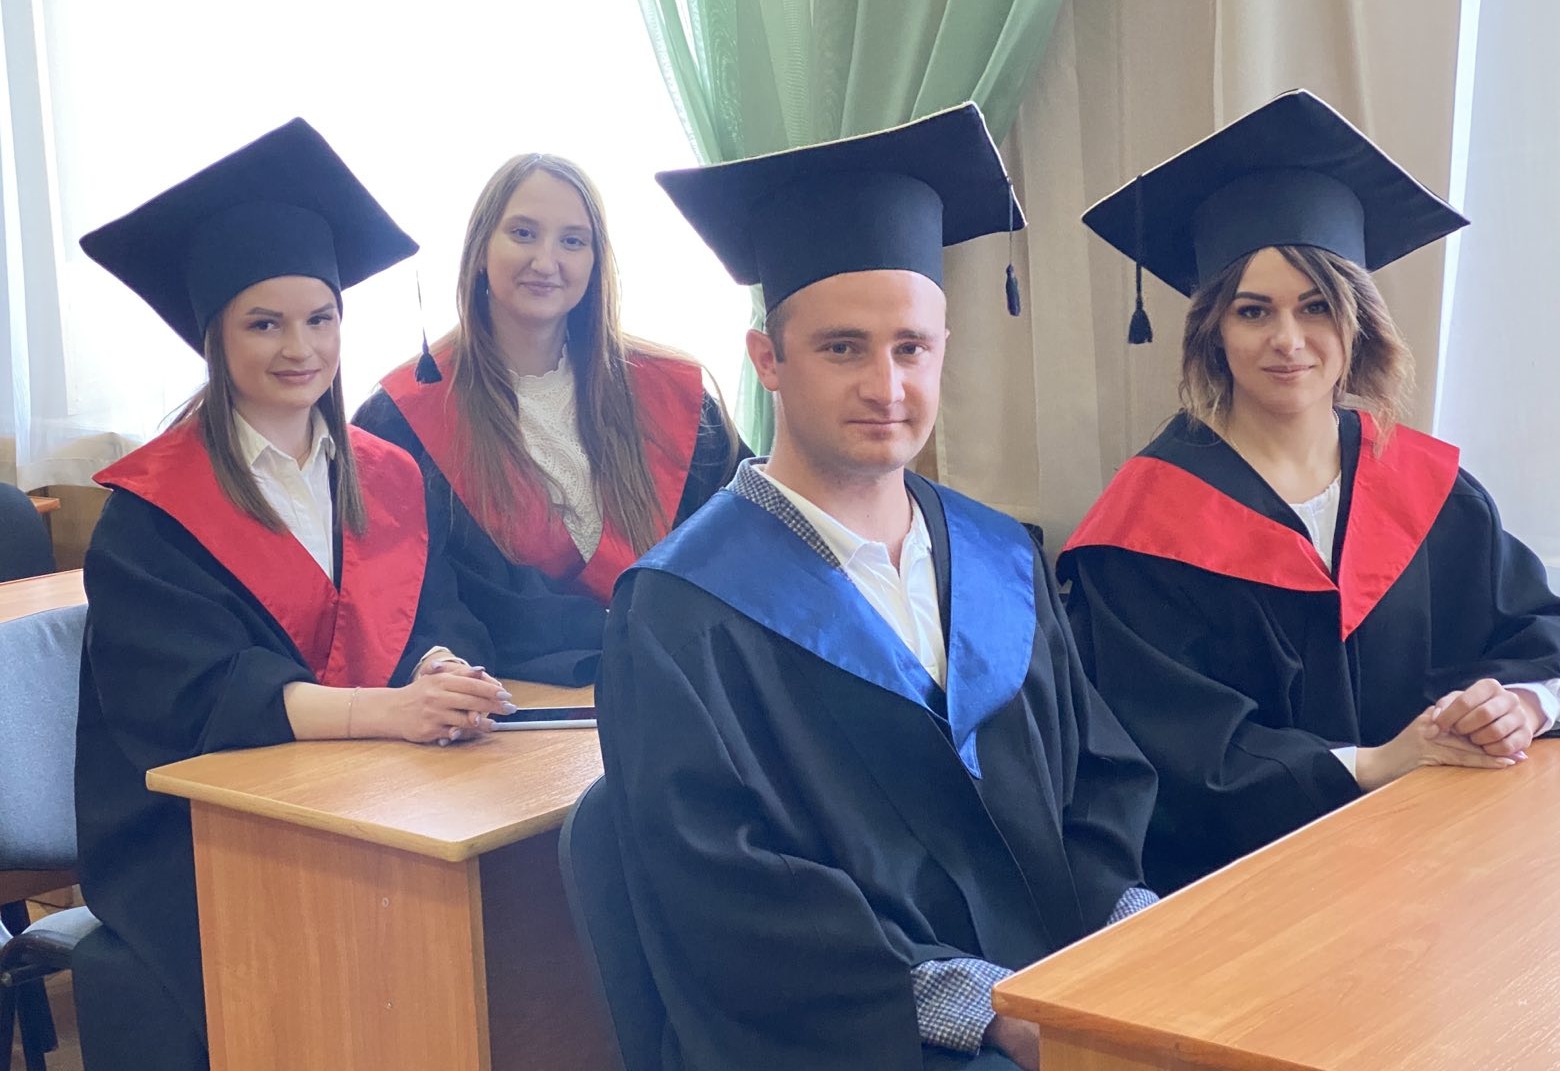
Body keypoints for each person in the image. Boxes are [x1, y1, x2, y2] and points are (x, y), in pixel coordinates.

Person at [599, 104, 1160, 1071]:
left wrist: (1129, 946)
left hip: (1059, 1007)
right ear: (768, 361)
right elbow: (724, 898)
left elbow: (1096, 784)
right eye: (842, 348)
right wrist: (990, 1014)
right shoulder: (682, 610)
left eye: (911, 347)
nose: (887, 388)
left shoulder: (1001, 557)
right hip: (854, 1038)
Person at [1061, 90, 1560, 893]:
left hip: (1441, 860)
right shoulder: (1144, 530)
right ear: (1214, 331)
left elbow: (1552, 633)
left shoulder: (1427, 490)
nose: (1289, 340)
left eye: (1317, 307)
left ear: (1357, 322)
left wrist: (1519, 704)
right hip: (1251, 888)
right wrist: (1375, 763)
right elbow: (1171, 753)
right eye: (1254, 312)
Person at [73, 119, 514, 1069]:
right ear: (214, 335)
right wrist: (386, 712)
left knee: (501, 931)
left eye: (320, 318)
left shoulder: (389, 473)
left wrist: (442, 668)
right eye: (263, 323)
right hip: (203, 828)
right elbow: (194, 699)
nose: (300, 347)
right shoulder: (151, 510)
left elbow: (436, 614)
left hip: (382, 789)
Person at [354, 153, 744, 687]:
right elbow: (409, 600)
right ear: (480, 250)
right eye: (523, 233)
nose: (545, 260)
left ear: (596, 261)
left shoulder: (672, 394)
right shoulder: (402, 418)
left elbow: (737, 550)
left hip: (675, 690)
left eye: (572, 241)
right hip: (509, 705)